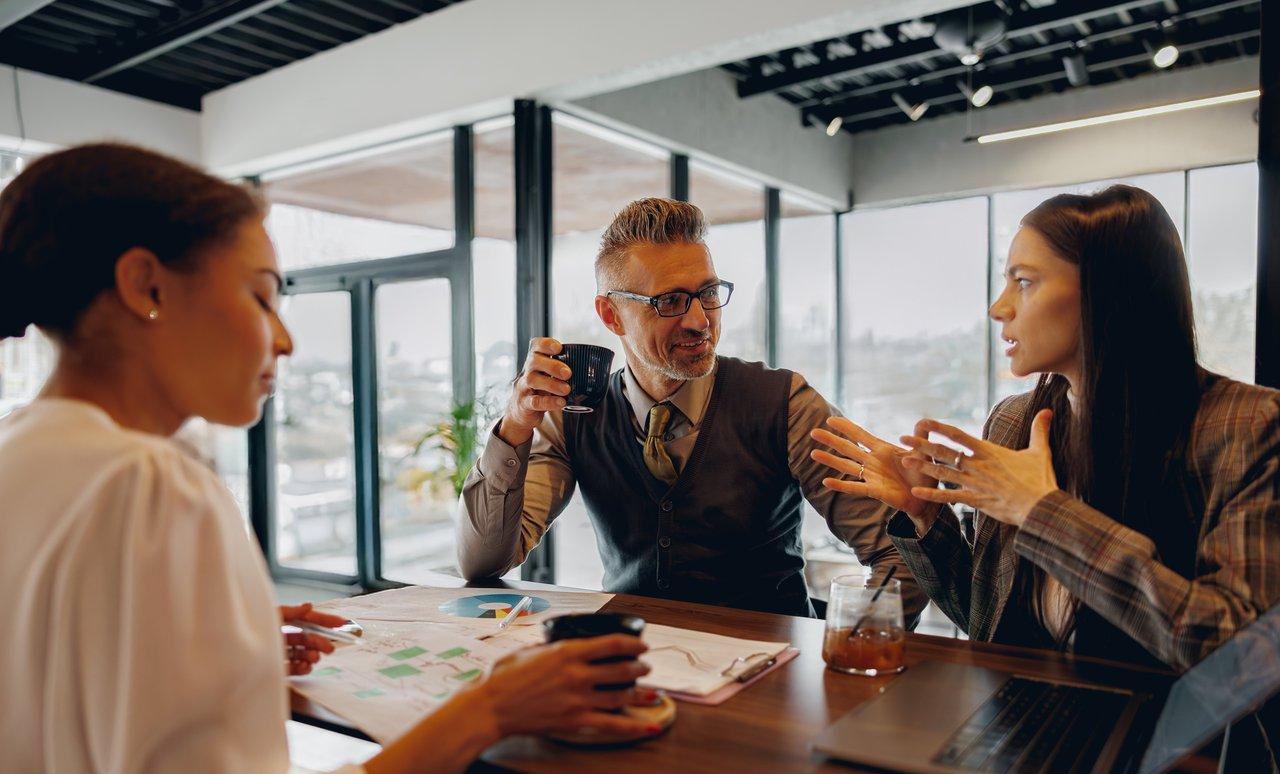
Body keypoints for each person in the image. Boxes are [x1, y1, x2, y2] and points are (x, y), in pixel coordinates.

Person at [0, 143, 659, 774]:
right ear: (146, 286)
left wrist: (225, 648)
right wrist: (491, 707)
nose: (283, 338)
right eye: (261, 295)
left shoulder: (22, 460)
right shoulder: (151, 486)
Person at [811, 184, 1280, 671]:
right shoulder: (1015, 423)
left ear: (1107, 291)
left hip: (1162, 739)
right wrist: (925, 516)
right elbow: (986, 621)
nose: (999, 307)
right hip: (1025, 724)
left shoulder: (1249, 428)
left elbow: (1244, 656)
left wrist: (1042, 513)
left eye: (1025, 282)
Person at [456, 197, 924, 622]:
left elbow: (899, 551)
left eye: (708, 293)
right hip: (630, 670)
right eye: (671, 301)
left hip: (772, 678)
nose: (700, 320)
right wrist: (516, 427)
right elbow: (483, 562)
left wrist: (855, 641)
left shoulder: (784, 404)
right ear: (610, 315)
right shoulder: (573, 417)